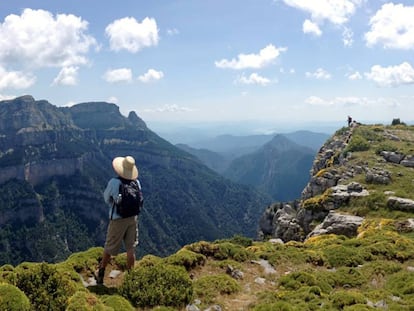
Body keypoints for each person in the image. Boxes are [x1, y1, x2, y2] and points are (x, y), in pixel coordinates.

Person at [96, 155, 141, 285]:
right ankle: (131, 278)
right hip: (133, 218)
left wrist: (114, 203)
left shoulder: (114, 182)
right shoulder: (136, 183)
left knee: (109, 246)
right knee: (130, 248)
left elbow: (106, 198)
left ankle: (101, 273)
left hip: (118, 219)